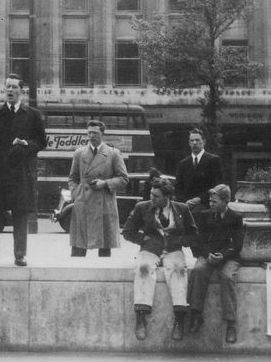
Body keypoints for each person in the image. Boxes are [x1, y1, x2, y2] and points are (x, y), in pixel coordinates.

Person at [0, 74, 47, 267]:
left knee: (20, 214)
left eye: (14, 87)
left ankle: (20, 255)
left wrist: (26, 144)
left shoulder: (33, 115)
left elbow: (42, 142)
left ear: (21, 91)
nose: (9, 90)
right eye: (7, 86)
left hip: (21, 173)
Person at [122, 178, 197, 342]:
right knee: (143, 268)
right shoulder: (142, 207)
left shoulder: (182, 209)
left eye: (156, 196)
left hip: (173, 250)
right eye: (151, 194)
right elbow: (127, 231)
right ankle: (140, 317)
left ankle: (179, 319)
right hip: (150, 249)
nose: (152, 198)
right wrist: (143, 239)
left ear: (167, 197)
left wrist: (180, 242)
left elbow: (193, 233)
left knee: (179, 270)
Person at [187, 184, 243, 344]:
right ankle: (196, 314)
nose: (211, 204)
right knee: (198, 270)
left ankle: (231, 323)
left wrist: (223, 255)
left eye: (214, 201)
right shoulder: (204, 216)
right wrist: (207, 254)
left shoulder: (236, 217)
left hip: (228, 256)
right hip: (209, 254)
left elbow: (238, 244)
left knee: (226, 276)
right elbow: (198, 240)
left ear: (226, 201)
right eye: (210, 201)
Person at [68, 120, 129, 257]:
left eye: (95, 133)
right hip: (83, 202)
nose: (91, 136)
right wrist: (76, 194)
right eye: (89, 133)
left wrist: (105, 183)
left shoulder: (113, 153)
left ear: (102, 133)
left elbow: (124, 178)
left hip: (104, 203)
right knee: (78, 246)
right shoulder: (79, 153)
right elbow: (73, 178)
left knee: (104, 247)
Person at [175, 127, 223, 216]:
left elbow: (217, 186)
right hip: (186, 204)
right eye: (192, 140)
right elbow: (178, 187)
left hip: (206, 204)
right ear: (189, 143)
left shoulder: (213, 160)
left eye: (197, 140)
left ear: (204, 142)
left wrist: (200, 199)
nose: (194, 143)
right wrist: (184, 202)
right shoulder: (183, 163)